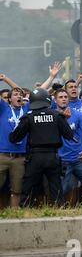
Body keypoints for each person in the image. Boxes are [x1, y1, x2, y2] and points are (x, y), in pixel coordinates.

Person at [9, 88, 74, 206]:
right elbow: (69, 135)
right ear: (48, 99)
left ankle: (25, 209)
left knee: (28, 185)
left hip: (35, 157)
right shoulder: (57, 115)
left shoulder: (28, 117)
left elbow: (14, 138)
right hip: (53, 156)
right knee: (55, 186)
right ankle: (59, 210)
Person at [0, 74, 28, 207]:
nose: (19, 96)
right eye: (15, 95)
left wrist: (6, 79)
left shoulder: (26, 109)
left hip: (19, 157)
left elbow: (21, 91)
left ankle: (14, 215)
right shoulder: (4, 108)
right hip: (2, 156)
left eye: (20, 95)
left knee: (16, 190)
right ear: (9, 99)